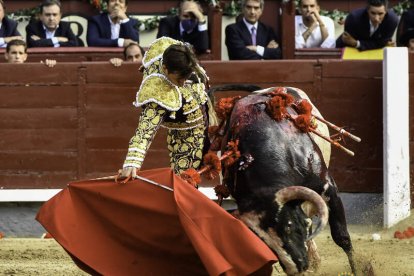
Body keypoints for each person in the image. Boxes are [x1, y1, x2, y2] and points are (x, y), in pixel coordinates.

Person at [117, 36, 214, 181]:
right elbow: (145, 130)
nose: (182, 82)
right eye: (178, 79)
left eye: (185, 77)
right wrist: (132, 161)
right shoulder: (158, 90)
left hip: (205, 115)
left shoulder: (177, 53)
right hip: (187, 135)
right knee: (185, 182)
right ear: (165, 69)